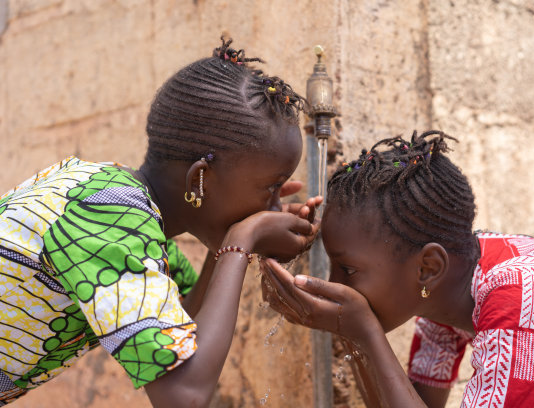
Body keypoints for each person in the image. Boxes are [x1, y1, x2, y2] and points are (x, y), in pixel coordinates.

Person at [0, 37, 321, 407]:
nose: (276, 207)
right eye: (270, 188)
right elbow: (183, 394)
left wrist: (230, 244)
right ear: (200, 179)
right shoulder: (112, 218)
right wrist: (245, 236)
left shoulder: (114, 201)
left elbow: (181, 325)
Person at [261, 130, 534, 407]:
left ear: (428, 267)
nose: (334, 284)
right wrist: (354, 331)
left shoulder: (520, 296)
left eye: (348, 270)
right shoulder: (447, 297)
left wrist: (365, 331)